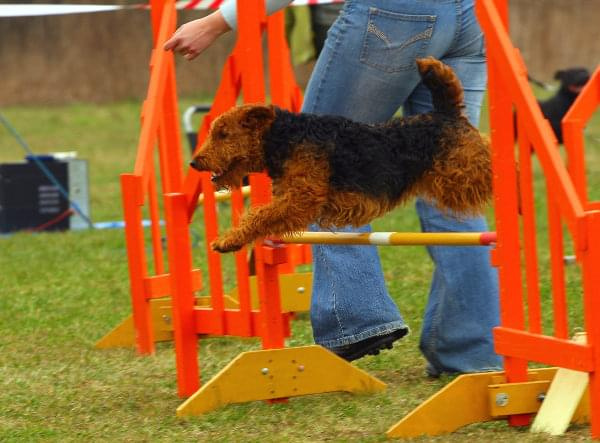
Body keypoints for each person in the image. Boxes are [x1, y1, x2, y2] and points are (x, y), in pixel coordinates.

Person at [165, 0, 502, 375]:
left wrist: (216, 22)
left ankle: (355, 322)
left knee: (311, 169)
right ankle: (471, 351)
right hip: (471, 18)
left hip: (392, 16)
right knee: (450, 171)